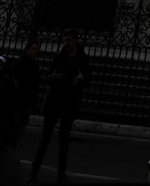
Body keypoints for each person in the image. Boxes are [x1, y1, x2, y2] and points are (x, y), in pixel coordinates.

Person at [27, 32, 89, 185]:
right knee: (45, 139)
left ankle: (61, 174)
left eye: (69, 40)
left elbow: (87, 77)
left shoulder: (82, 59)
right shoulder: (61, 56)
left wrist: (80, 79)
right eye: (65, 40)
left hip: (69, 103)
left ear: (75, 40)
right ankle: (33, 173)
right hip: (54, 101)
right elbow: (49, 75)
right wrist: (54, 77)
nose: (66, 43)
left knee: (64, 141)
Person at [11, 42, 41, 142]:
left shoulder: (35, 66)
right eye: (33, 49)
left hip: (26, 104)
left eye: (37, 49)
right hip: (17, 103)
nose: (36, 51)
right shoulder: (19, 64)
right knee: (13, 130)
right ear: (27, 50)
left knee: (18, 132)